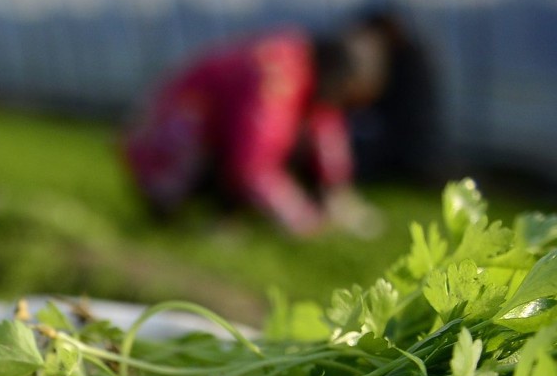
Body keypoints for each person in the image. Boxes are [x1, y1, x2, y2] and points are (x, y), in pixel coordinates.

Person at [122, 21, 389, 238]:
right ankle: (191, 219)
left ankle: (221, 220)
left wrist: (337, 193)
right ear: (338, 78)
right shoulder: (280, 77)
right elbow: (251, 165)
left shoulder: (305, 68)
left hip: (195, 139)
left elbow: (326, 130)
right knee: (259, 152)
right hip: (165, 150)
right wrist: (302, 218)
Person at [345, 6, 441, 185]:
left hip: (407, 143)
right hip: (412, 140)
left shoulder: (404, 64)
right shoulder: (411, 57)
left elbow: (377, 100)